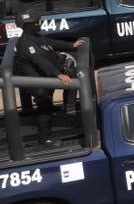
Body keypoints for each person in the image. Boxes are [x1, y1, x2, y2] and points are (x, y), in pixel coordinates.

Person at [14, 11, 83, 147]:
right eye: (36, 22)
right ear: (28, 26)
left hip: (45, 77)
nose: (39, 24)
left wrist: (71, 45)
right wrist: (58, 75)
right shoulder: (26, 43)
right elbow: (40, 61)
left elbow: (50, 42)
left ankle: (69, 109)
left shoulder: (35, 37)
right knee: (45, 109)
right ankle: (44, 139)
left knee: (71, 73)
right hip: (39, 84)